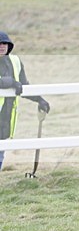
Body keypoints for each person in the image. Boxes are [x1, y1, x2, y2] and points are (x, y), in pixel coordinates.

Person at [0, 31, 50, 171]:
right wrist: (10, 82)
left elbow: (23, 86)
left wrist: (39, 99)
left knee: (0, 154)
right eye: (0, 44)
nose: (2, 46)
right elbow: (12, 83)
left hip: (6, 118)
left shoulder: (15, 62)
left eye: (5, 43)